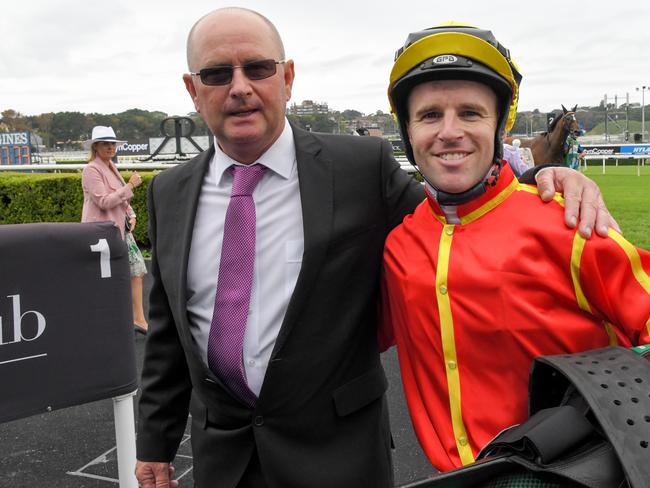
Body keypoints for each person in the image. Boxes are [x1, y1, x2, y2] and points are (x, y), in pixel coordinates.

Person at [135, 8, 617, 488]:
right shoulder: (168, 192)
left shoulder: (360, 167)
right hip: (225, 459)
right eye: (217, 74)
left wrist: (543, 182)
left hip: (337, 456)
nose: (240, 87)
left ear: (287, 77)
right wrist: (155, 442)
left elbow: (457, 210)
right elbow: (170, 334)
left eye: (257, 68)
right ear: (192, 90)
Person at [379, 23, 650, 475]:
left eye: (470, 113)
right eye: (429, 115)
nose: (449, 132)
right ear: (407, 130)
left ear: (499, 124)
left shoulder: (573, 225)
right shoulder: (398, 246)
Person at [81, 125, 148, 334]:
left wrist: (131, 213)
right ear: (96, 147)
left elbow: (119, 200)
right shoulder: (92, 169)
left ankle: (138, 319)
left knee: (137, 272)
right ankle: (105, 320)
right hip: (101, 234)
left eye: (112, 144)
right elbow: (104, 201)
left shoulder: (110, 166)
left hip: (119, 231)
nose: (110, 147)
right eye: (105, 144)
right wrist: (130, 186)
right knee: (107, 278)